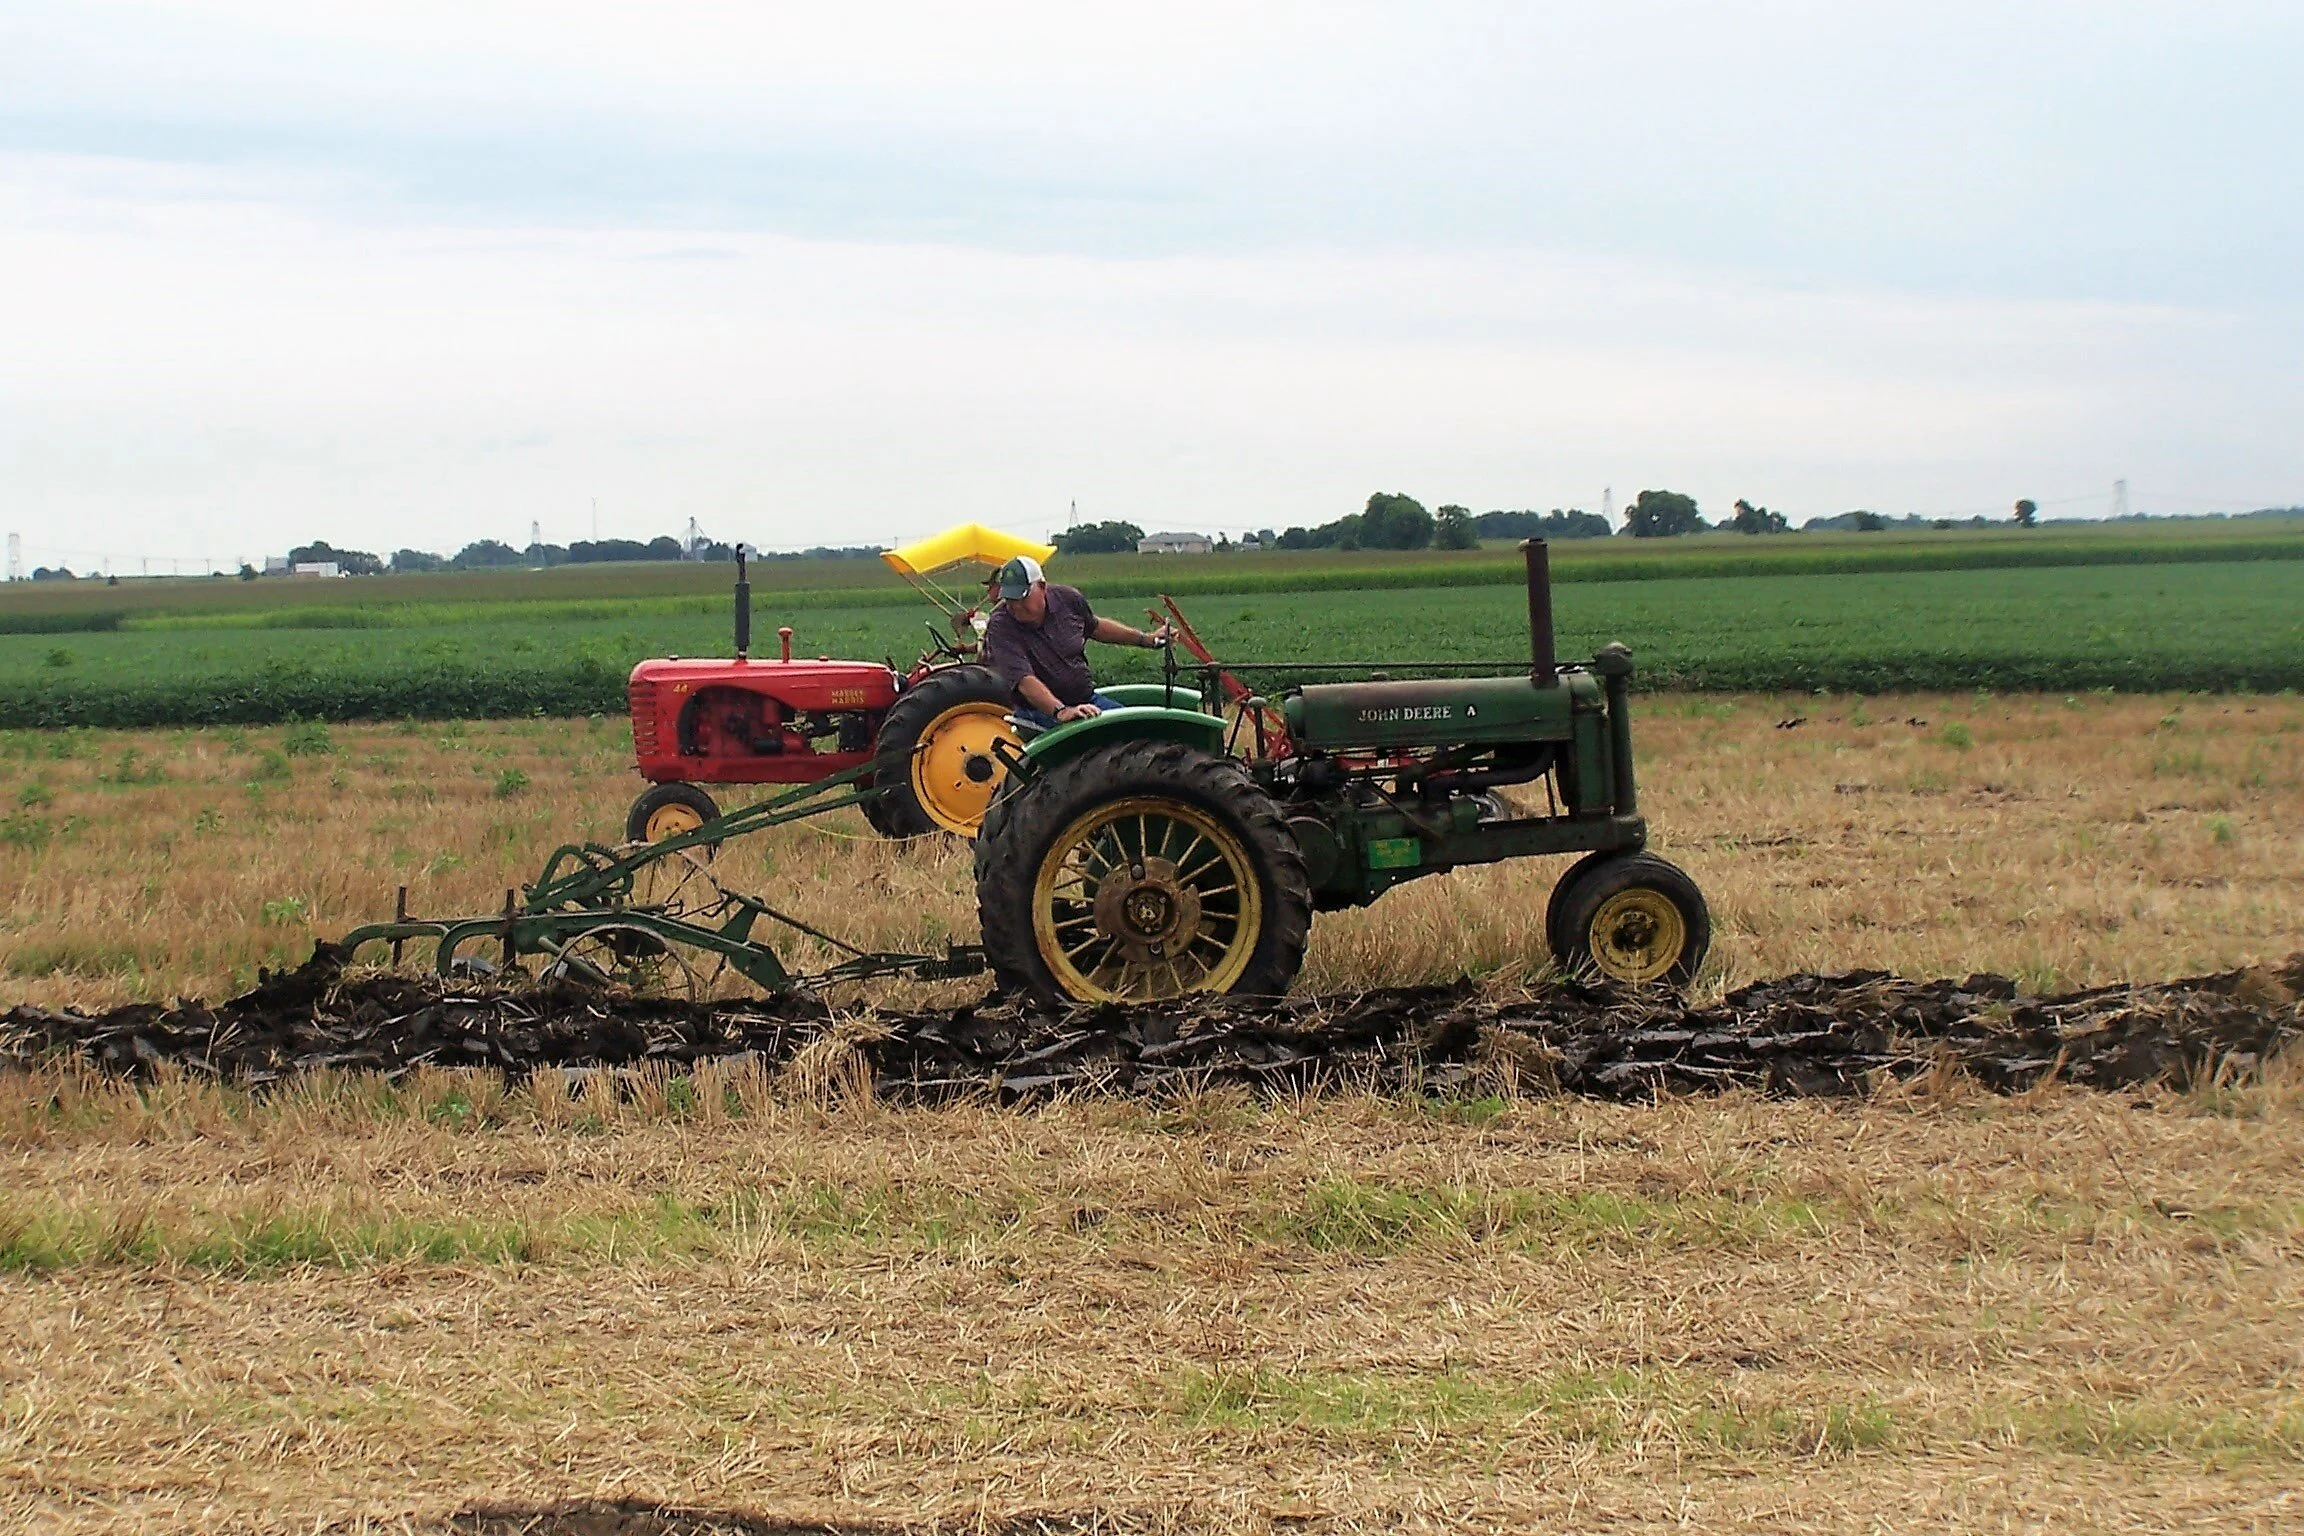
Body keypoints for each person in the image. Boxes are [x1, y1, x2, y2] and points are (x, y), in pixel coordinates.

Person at [981, 555, 1169, 728]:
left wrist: (1147, 639)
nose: (1015, 606)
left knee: (1140, 729)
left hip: (1086, 701)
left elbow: (1095, 627)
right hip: (1039, 714)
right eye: (1009, 599)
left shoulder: (1068, 599)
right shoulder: (1001, 625)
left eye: (1022, 597)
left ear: (1042, 587)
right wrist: (1060, 711)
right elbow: (1024, 680)